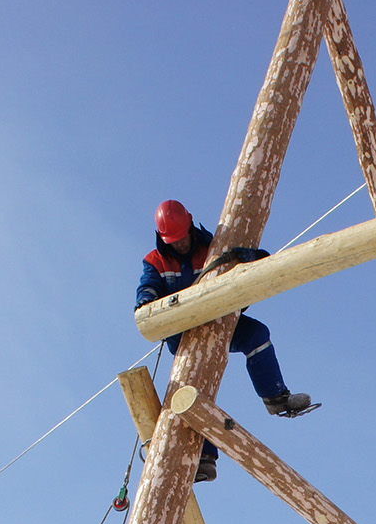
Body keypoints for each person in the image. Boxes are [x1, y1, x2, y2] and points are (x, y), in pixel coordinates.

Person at [135, 200, 315, 482]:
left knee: (257, 335)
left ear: (190, 226)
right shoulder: (156, 261)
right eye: (173, 241)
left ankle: (276, 398)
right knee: (194, 386)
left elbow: (257, 268)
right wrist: (146, 301)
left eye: (182, 237)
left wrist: (252, 257)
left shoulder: (214, 248)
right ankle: (203, 457)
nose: (180, 244)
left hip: (220, 321)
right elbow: (148, 285)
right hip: (184, 333)